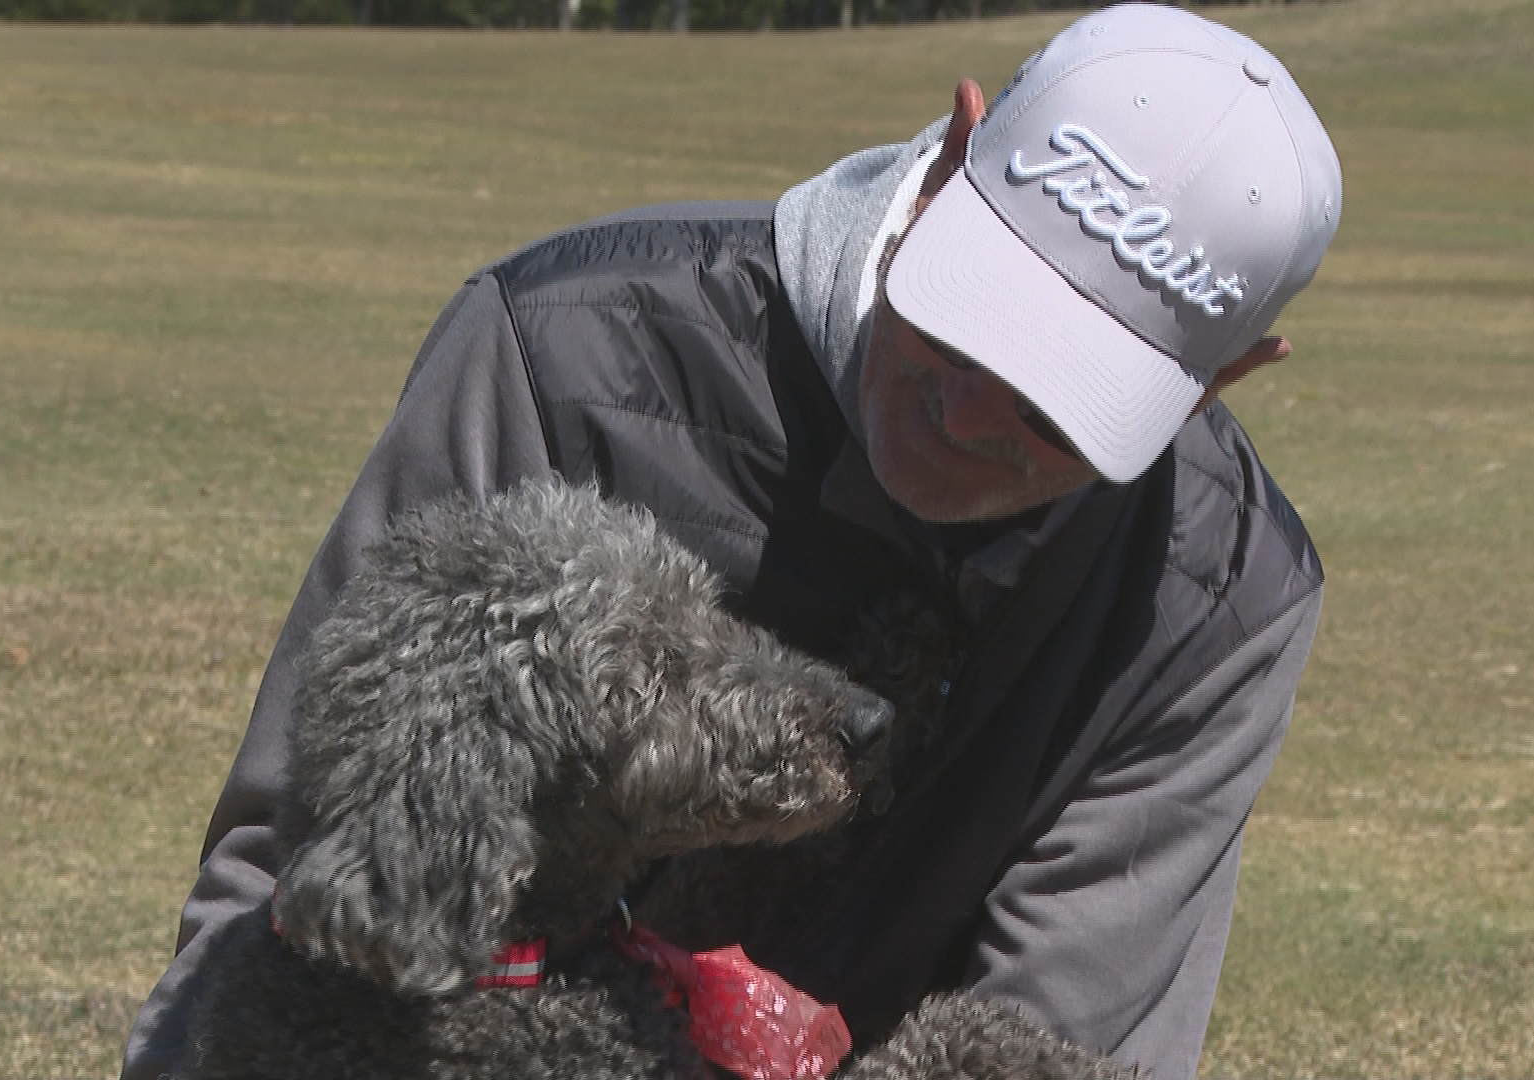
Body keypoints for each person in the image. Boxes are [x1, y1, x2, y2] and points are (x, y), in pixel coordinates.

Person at [121, 6, 1342, 1079]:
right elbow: (311, 881)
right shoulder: (566, 355)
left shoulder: (1221, 592)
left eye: (1050, 404)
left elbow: (1060, 1039)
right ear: (962, 145)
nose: (965, 420)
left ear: (1219, 383)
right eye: (966, 324)